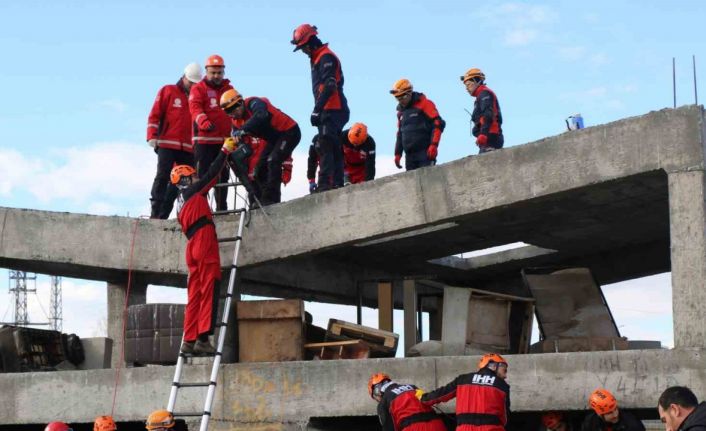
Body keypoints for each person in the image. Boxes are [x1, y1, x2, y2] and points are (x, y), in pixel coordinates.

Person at [170, 137, 236, 354]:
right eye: (192, 176)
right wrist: (225, 150)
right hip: (204, 239)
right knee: (209, 287)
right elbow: (213, 174)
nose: (196, 177)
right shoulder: (194, 192)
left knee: (195, 294)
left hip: (192, 245)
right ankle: (203, 339)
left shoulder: (179, 204)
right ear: (186, 179)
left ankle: (188, 341)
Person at [291, 23, 349, 191]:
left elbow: (330, 85)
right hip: (331, 108)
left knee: (325, 143)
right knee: (334, 145)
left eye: (303, 47)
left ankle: (325, 184)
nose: (303, 51)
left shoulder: (325, 57)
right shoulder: (318, 57)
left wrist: (317, 109)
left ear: (310, 43)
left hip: (333, 108)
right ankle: (337, 182)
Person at [220, 89, 300, 206]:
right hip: (274, 139)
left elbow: (261, 115)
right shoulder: (236, 122)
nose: (233, 113)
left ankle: (272, 199)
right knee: (259, 169)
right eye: (228, 111)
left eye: (234, 108)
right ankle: (264, 199)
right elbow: (237, 137)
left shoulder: (254, 103)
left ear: (240, 103)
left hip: (289, 132)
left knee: (273, 160)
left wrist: (243, 129)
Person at [147, 63, 201, 219]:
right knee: (163, 176)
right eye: (191, 82)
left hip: (188, 148)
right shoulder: (168, 91)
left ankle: (166, 214)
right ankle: (155, 213)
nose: (192, 86)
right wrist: (152, 135)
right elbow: (155, 114)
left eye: (195, 83)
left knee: (183, 181)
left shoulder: (196, 97)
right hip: (167, 143)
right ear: (184, 77)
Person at [189, 54, 234, 211]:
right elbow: (195, 107)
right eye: (213, 72)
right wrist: (203, 121)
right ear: (206, 72)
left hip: (224, 141)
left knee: (223, 176)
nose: (216, 76)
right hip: (204, 141)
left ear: (223, 72)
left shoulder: (229, 89)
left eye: (219, 72)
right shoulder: (198, 88)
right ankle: (201, 209)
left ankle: (222, 209)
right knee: (203, 178)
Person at [420, 353, 510, 431]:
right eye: (504, 370)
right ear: (493, 366)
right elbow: (505, 419)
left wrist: (423, 398)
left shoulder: (462, 380)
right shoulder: (502, 385)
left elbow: (441, 394)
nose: (505, 376)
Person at [390, 79, 444, 171]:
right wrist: (398, 154)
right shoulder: (401, 113)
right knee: (412, 184)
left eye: (402, 97)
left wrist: (434, 145)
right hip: (410, 156)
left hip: (425, 152)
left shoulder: (425, 104)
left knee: (428, 180)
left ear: (409, 93)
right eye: (397, 98)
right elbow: (400, 133)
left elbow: (438, 123)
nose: (400, 101)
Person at [369, 372, 447, 431]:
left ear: (377, 391)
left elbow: (389, 428)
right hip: (437, 424)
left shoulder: (383, 402)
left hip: (414, 427)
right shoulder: (412, 387)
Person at [307, 123, 375, 189]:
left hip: (360, 170)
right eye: (353, 143)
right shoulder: (340, 137)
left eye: (357, 144)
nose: (354, 146)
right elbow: (312, 162)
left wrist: (369, 183)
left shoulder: (370, 144)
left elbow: (370, 165)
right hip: (341, 168)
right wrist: (311, 180)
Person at [461, 68, 504, 154]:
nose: (466, 88)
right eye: (465, 86)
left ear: (477, 81)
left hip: (490, 138)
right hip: (487, 139)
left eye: (468, 84)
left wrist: (483, 134)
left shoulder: (484, 93)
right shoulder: (480, 96)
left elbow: (488, 114)